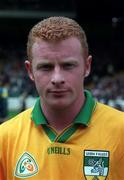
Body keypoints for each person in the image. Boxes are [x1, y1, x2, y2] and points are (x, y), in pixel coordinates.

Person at [0, 16, 124, 180]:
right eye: (46, 67)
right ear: (30, 71)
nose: (57, 78)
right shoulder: (5, 138)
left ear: (87, 66)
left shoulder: (121, 131)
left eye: (68, 65)